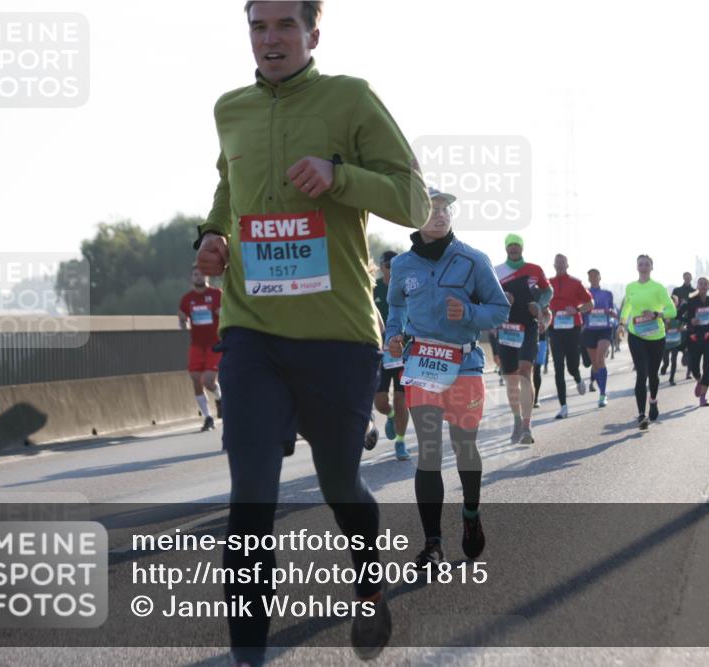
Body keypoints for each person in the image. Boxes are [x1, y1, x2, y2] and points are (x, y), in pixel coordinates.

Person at [193, 2, 431, 662]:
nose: (270, 39)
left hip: (337, 333)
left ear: (312, 34)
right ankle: (248, 653)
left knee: (339, 485)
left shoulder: (350, 99)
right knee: (250, 499)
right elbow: (227, 190)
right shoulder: (230, 108)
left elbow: (414, 199)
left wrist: (339, 175)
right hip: (252, 331)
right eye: (258, 26)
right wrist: (212, 235)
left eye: (284, 26)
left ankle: (367, 575)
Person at [385, 187, 509, 569]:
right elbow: (395, 307)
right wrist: (393, 335)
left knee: (464, 447)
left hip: (464, 365)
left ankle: (470, 515)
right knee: (429, 452)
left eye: (445, 209)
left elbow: (499, 309)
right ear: (415, 216)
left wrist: (470, 312)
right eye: (432, 208)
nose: (440, 215)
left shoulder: (473, 259)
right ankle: (433, 543)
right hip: (421, 365)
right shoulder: (404, 265)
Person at [495, 235, 552, 444]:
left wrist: (539, 305)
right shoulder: (496, 271)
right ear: (505, 248)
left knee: (526, 370)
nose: (513, 249)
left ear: (522, 248)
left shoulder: (534, 269)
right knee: (511, 379)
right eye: (510, 245)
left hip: (528, 326)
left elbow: (548, 291)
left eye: (516, 245)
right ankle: (517, 420)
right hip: (507, 327)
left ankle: (527, 426)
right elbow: (487, 296)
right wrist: (502, 301)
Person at [617, 255, 677, 430]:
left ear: (652, 267)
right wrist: (622, 324)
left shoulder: (658, 288)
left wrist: (657, 314)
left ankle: (653, 400)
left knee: (653, 374)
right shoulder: (631, 287)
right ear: (637, 267)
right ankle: (641, 415)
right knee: (641, 373)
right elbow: (627, 307)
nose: (643, 267)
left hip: (656, 336)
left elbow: (672, 310)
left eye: (647, 264)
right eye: (640, 264)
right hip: (636, 335)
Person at [373, 250, 410, 460]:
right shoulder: (373, 287)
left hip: (401, 350)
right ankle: (390, 416)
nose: (391, 269)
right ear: (381, 266)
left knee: (400, 398)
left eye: (395, 265)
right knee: (380, 403)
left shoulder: (406, 286)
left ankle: (400, 442)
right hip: (380, 352)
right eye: (388, 265)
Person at [179, 266, 224, 431]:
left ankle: (220, 397)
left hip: (215, 344)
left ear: (207, 276)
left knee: (208, 380)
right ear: (191, 278)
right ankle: (207, 417)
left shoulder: (217, 294)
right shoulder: (187, 299)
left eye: (202, 274)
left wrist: (221, 312)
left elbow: (226, 312)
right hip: (197, 345)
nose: (199, 277)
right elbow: (181, 319)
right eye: (195, 274)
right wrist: (182, 321)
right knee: (196, 379)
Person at [547, 255, 593, 419]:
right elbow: (540, 303)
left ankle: (578, 378)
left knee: (572, 366)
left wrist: (577, 310)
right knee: (558, 366)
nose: (560, 265)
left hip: (573, 328)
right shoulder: (547, 283)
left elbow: (590, 303)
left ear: (567, 265)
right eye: (557, 263)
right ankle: (563, 407)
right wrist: (546, 312)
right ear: (554, 265)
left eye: (562, 263)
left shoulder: (575, 283)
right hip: (555, 328)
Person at [683, 277, 709, 406]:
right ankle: (699, 380)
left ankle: (703, 397)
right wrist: (691, 321)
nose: (703, 286)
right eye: (701, 283)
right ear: (697, 286)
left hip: (708, 337)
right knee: (694, 367)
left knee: (707, 366)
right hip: (694, 338)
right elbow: (681, 316)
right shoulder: (691, 302)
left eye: (706, 284)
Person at [583, 269, 616, 408]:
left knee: (600, 359)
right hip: (589, 330)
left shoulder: (607, 294)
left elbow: (613, 310)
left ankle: (602, 394)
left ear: (600, 277)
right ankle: (601, 389)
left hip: (604, 329)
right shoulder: (584, 293)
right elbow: (580, 310)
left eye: (596, 275)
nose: (593, 278)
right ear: (588, 278)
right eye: (591, 276)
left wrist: (612, 312)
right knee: (595, 365)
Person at [660, 295, 687, 386]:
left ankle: (671, 379)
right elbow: (659, 326)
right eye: (670, 301)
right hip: (665, 342)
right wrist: (665, 324)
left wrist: (682, 327)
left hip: (676, 341)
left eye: (673, 301)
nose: (671, 303)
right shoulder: (663, 313)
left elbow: (684, 324)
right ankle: (664, 366)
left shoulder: (679, 313)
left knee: (674, 360)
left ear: (676, 303)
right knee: (666, 361)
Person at [533, 307, 550, 408]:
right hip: (525, 337)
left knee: (537, 370)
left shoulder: (542, 297)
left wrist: (545, 323)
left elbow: (548, 314)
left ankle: (535, 398)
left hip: (541, 339)